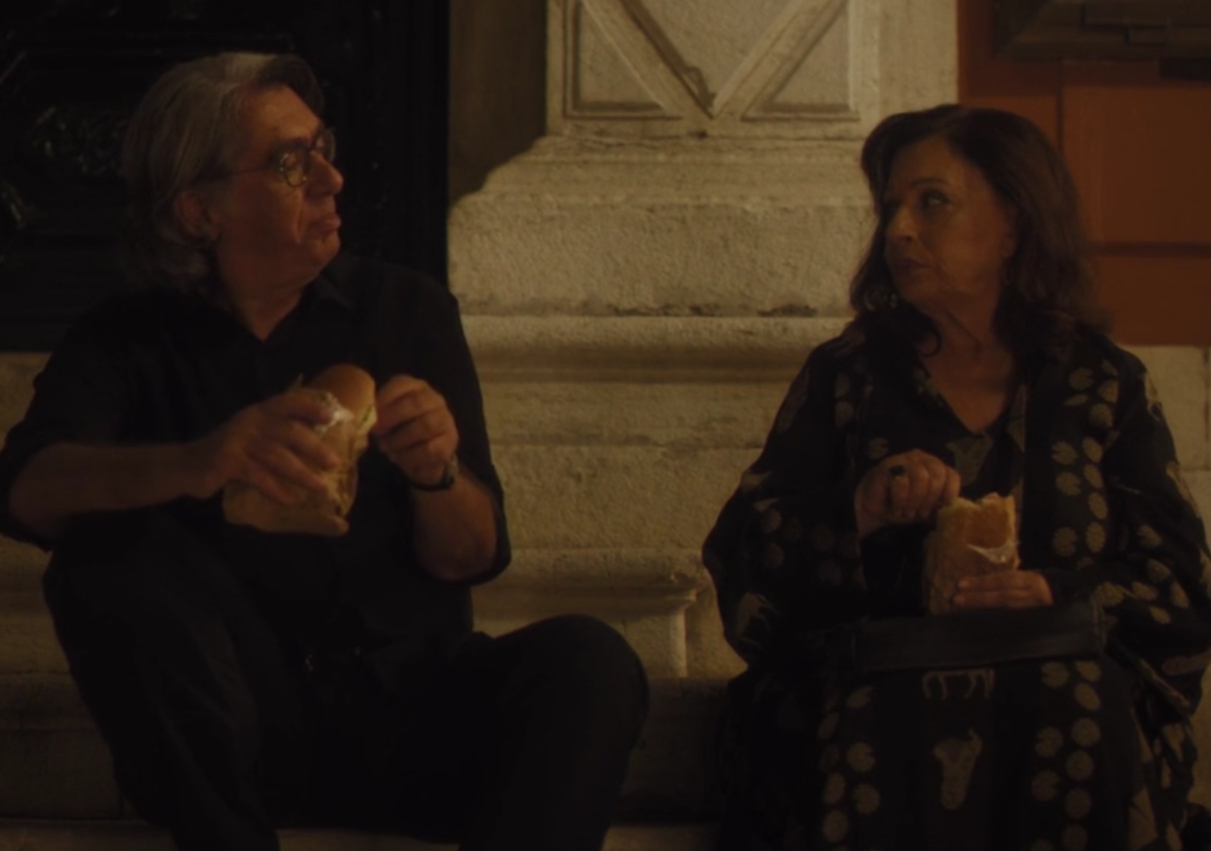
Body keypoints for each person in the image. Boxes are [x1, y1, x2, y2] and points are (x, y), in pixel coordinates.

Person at [0, 52, 647, 851]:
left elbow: (472, 555)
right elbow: (26, 489)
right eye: (290, 163)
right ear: (199, 211)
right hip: (244, 734)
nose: (332, 181)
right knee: (105, 552)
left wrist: (436, 473)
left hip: (415, 713)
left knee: (589, 660)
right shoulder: (127, 338)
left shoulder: (404, 308)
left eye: (323, 150)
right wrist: (201, 460)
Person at [702, 104, 1211, 851]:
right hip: (873, 694)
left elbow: (1179, 586)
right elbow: (745, 558)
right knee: (878, 709)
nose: (899, 230)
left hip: (1064, 696)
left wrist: (1055, 591)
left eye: (931, 202)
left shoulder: (1102, 383)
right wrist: (860, 508)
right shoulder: (848, 376)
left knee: (1076, 698)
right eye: (891, 208)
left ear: (1013, 222)